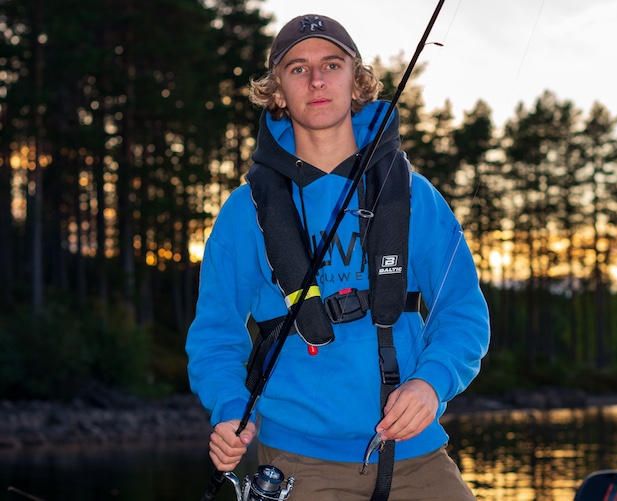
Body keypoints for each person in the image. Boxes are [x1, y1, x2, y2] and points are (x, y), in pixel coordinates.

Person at [186, 13, 490, 501]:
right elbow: (215, 336)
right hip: (299, 465)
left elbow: (463, 312)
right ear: (277, 92)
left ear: (357, 82)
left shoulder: (415, 196)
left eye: (332, 63)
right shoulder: (244, 213)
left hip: (417, 453)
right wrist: (228, 410)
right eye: (297, 68)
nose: (318, 79)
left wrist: (431, 385)